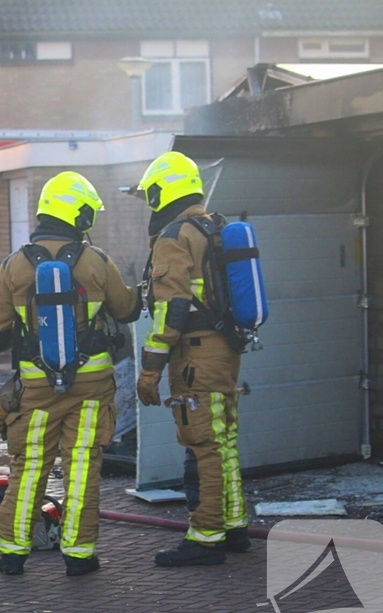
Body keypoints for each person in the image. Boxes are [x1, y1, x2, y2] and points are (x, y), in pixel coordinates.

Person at [0, 171, 141, 576]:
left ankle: (13, 552)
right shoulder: (97, 262)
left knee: (30, 464)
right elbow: (127, 311)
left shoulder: (14, 265)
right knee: (83, 465)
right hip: (92, 385)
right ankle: (79, 555)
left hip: (35, 387)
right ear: (78, 215)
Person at [133, 151, 249, 567]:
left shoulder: (175, 235)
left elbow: (172, 308)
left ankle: (205, 537)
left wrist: (150, 368)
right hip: (223, 350)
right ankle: (233, 526)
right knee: (222, 440)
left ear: (165, 191)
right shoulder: (213, 226)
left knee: (203, 444)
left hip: (195, 355)